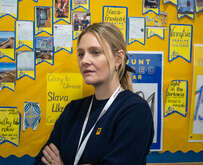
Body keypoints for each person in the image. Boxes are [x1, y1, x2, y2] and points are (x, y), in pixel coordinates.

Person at [34, 22, 154, 165]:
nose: (84, 60)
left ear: (118, 59)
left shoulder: (134, 111)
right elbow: (42, 161)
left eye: (95, 52)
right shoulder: (73, 109)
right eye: (81, 54)